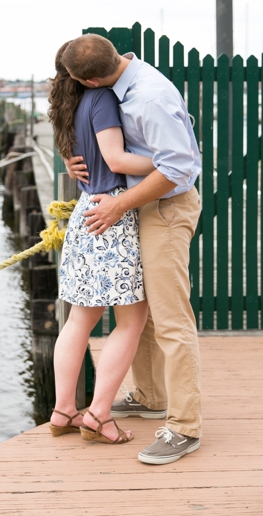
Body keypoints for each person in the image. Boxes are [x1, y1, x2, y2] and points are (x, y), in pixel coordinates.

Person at [61, 33, 203, 465]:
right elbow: (113, 151)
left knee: (171, 319)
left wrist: (119, 203)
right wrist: (75, 160)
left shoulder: (149, 98)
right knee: (136, 304)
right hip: (137, 205)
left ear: (89, 80)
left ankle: (184, 427)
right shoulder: (120, 81)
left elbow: (179, 168)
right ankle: (150, 395)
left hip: (164, 207)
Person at [47, 42, 155, 446]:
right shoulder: (102, 99)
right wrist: (171, 159)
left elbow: (84, 160)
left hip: (83, 214)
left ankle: (63, 411)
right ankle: (98, 416)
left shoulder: (67, 104)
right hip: (111, 215)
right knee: (132, 320)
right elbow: (116, 160)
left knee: (80, 319)